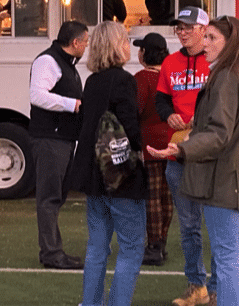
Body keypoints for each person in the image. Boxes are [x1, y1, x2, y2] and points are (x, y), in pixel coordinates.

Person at [149, 16, 239, 306]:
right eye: (206, 37)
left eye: (212, 37)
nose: (204, 43)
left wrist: (181, 150)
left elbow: (219, 134)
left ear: (231, 43)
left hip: (224, 180)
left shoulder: (227, 77)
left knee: (229, 256)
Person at [66, 21, 147, 306]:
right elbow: (130, 127)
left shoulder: (92, 81)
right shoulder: (123, 80)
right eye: (124, 40)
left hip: (92, 175)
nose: (128, 45)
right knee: (132, 247)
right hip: (120, 175)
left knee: (97, 247)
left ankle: (91, 303)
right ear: (116, 45)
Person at [155, 6, 216, 306]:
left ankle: (217, 287)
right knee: (189, 227)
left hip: (209, 156)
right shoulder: (169, 62)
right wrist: (168, 116)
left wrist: (198, 122)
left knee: (217, 225)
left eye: (188, 27)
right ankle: (197, 287)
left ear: (205, 29)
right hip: (177, 156)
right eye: (178, 27)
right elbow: (161, 99)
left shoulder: (215, 62)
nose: (181, 32)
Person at [28, 20, 88, 269]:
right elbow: (37, 95)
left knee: (56, 195)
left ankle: (53, 251)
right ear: (75, 42)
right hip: (51, 139)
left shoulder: (64, 63)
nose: (86, 46)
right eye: (85, 41)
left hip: (61, 138)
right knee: (50, 197)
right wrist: (72, 104)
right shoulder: (49, 61)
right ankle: (52, 254)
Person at [133, 32, 173, 266]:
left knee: (152, 198)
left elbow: (136, 109)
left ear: (146, 54)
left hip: (149, 145)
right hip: (172, 142)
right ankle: (162, 242)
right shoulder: (171, 77)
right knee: (166, 197)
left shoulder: (142, 79)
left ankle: (153, 245)